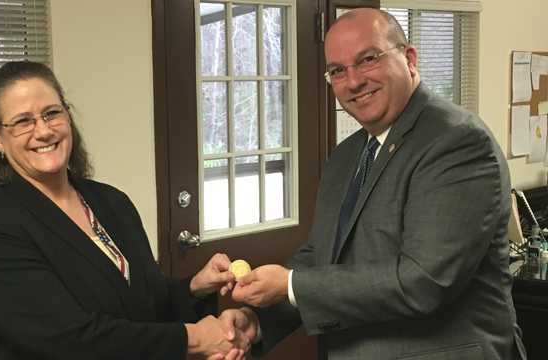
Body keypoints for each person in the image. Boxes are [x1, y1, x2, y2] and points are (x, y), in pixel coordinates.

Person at [221, 8, 527, 360]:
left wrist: (289, 286)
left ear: (409, 58)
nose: (353, 82)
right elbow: (322, 258)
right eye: (337, 70)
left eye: (367, 59)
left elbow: (424, 282)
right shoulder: (346, 156)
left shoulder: (457, 142)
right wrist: (259, 320)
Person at [0, 60, 248, 360]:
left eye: (52, 113)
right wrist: (192, 339)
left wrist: (194, 288)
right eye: (23, 121)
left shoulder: (112, 202)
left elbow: (139, 299)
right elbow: (70, 339)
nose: (44, 130)